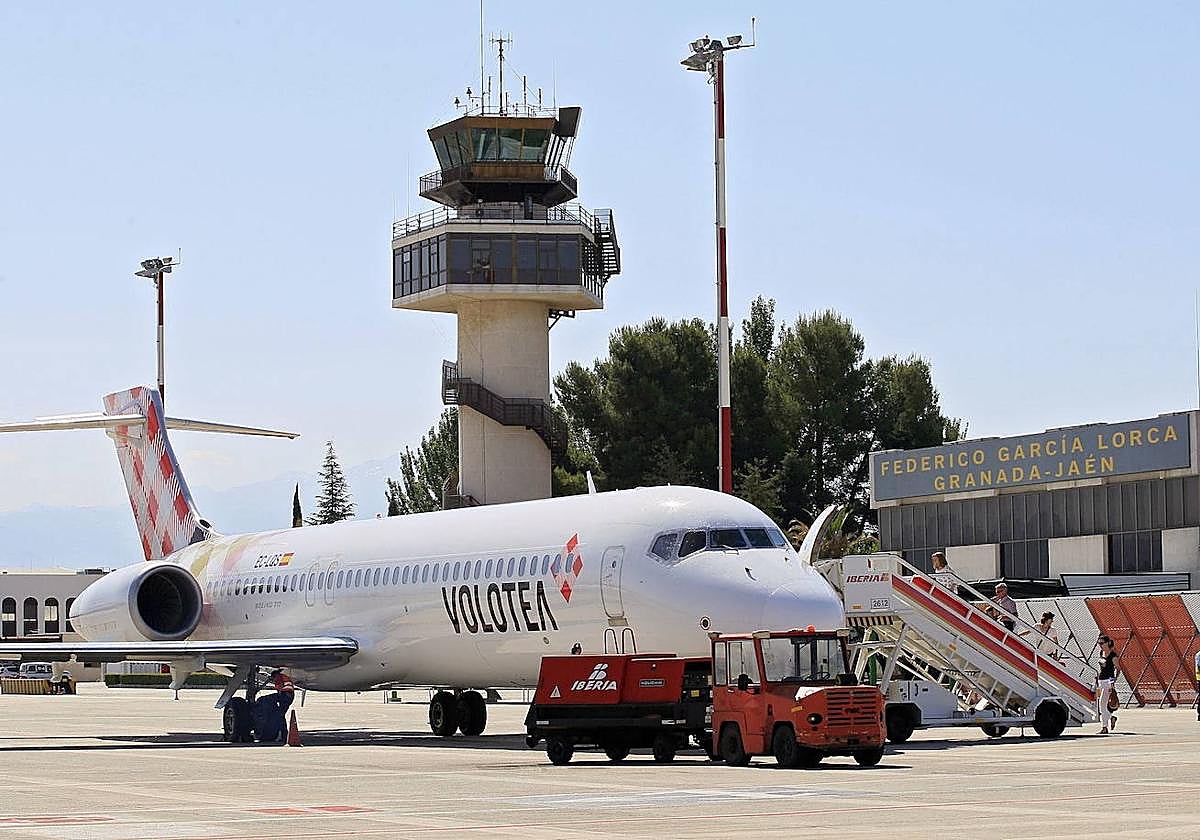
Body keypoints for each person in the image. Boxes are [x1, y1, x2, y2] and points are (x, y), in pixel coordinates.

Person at [1096, 635, 1119, 734]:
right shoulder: (1101, 653)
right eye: (1099, 643)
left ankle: (1104, 727)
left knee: (1102, 703)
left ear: (1107, 643)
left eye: (1102, 643)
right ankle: (1111, 717)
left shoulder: (1113, 655)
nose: (1100, 646)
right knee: (1102, 705)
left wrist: (1113, 681)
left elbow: (1118, 669)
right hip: (1101, 681)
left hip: (1108, 681)